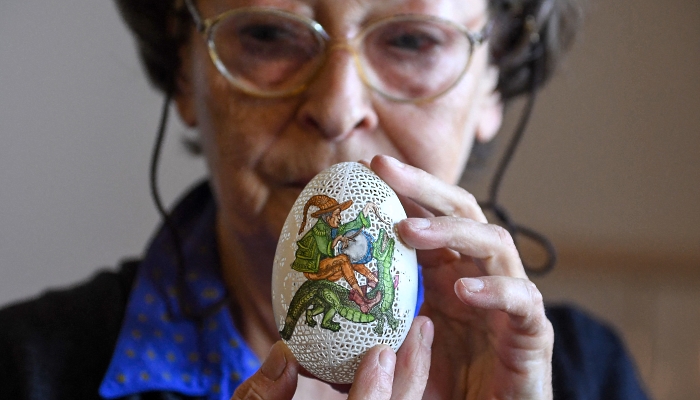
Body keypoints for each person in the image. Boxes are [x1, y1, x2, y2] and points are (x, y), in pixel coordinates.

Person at [0, 0, 651, 399]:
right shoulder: (26, 369)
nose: (337, 108)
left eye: (411, 40)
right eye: (266, 35)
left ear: (495, 79)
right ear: (183, 68)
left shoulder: (589, 376)